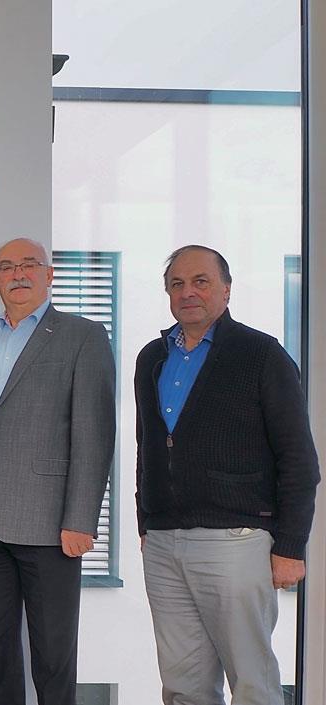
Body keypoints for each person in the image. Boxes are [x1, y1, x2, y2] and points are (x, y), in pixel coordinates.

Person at [135, 245, 319, 705]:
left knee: (252, 681)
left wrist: (291, 546)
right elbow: (147, 447)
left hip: (236, 541)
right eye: (176, 284)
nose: (187, 292)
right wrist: (145, 520)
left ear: (227, 289)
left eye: (201, 281)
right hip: (163, 542)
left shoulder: (262, 355)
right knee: (182, 684)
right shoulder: (151, 358)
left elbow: (298, 459)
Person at [0, 237, 115, 705]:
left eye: (30, 265)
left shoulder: (83, 336)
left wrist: (82, 519)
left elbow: (94, 432)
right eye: (7, 267)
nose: (18, 274)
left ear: (50, 275)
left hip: (51, 525)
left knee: (52, 655)